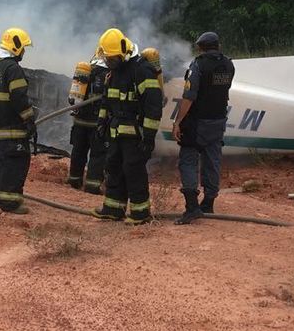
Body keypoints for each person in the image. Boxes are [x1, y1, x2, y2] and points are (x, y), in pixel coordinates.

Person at [91, 28, 163, 225]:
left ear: (123, 52)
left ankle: (140, 212)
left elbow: (153, 106)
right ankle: (113, 208)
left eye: (112, 59)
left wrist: (148, 137)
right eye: (107, 58)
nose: (108, 62)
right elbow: (106, 101)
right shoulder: (113, 73)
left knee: (133, 171)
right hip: (115, 132)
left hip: (135, 134)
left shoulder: (141, 70)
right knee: (113, 168)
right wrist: (101, 123)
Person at [172, 31, 235, 224]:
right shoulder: (228, 64)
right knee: (212, 160)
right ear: (218, 45)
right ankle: (208, 203)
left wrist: (177, 121)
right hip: (218, 120)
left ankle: (192, 208)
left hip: (197, 122)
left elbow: (189, 97)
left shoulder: (198, 65)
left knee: (188, 160)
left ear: (200, 47)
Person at [0, 27, 36, 214]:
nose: (23, 52)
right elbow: (19, 97)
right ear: (16, 47)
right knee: (17, 164)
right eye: (23, 48)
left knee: (4, 165)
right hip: (14, 129)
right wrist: (29, 119)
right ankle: (11, 204)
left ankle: (4, 200)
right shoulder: (13, 69)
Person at [66, 54, 109, 194]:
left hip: (79, 122)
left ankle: (74, 180)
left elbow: (74, 99)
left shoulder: (85, 72)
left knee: (78, 151)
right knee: (97, 155)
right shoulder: (109, 75)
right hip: (97, 123)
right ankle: (92, 185)